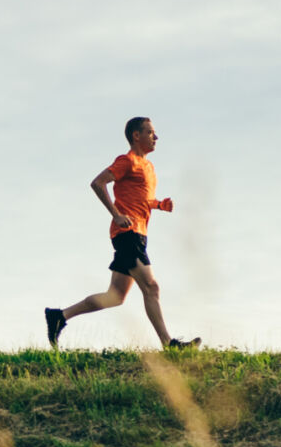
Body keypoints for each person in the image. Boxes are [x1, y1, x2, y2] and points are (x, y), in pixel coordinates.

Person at [45, 116, 199, 350]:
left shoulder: (149, 167)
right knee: (151, 287)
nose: (156, 137)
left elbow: (142, 199)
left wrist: (158, 205)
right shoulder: (127, 161)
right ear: (136, 136)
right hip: (128, 233)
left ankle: (59, 316)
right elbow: (98, 183)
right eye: (150, 132)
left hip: (138, 234)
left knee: (115, 296)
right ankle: (170, 345)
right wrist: (116, 214)